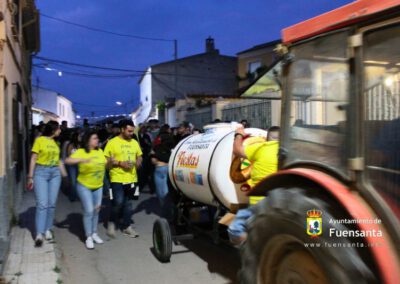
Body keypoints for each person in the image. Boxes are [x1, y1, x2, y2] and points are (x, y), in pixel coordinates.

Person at [228, 125, 280, 245]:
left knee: (234, 229)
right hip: (280, 202)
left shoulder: (261, 148)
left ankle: (251, 247)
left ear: (266, 138)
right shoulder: (287, 152)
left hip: (259, 204)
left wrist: (239, 134)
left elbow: (237, 150)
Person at [65, 130, 108, 249]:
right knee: (89, 210)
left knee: (96, 210)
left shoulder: (100, 151)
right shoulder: (81, 151)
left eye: (97, 138)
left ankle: (94, 233)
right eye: (95, 138)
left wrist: (111, 162)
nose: (97, 140)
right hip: (84, 186)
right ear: (88, 140)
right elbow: (67, 160)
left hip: (98, 186)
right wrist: (80, 160)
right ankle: (88, 236)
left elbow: (105, 164)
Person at [27, 120, 67, 247]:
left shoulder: (57, 142)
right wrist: (30, 176)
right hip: (41, 173)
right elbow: (33, 158)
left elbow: (59, 160)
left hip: (55, 173)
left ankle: (48, 229)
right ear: (53, 129)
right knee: (42, 204)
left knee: (51, 204)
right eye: (59, 129)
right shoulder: (39, 140)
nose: (60, 131)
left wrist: (65, 176)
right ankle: (39, 233)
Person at [104, 119, 143, 238]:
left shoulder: (134, 142)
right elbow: (106, 163)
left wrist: (138, 163)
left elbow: (139, 156)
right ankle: (112, 221)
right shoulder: (112, 143)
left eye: (132, 131)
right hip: (117, 178)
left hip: (131, 178)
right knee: (118, 202)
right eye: (129, 131)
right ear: (122, 129)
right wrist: (119, 163)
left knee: (128, 204)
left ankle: (127, 226)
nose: (131, 133)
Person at [151, 129, 175, 219]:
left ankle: (169, 214)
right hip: (163, 171)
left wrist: (161, 163)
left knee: (165, 194)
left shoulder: (171, 148)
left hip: (164, 171)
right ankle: (168, 214)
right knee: (164, 194)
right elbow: (153, 160)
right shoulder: (158, 148)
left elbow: (154, 160)